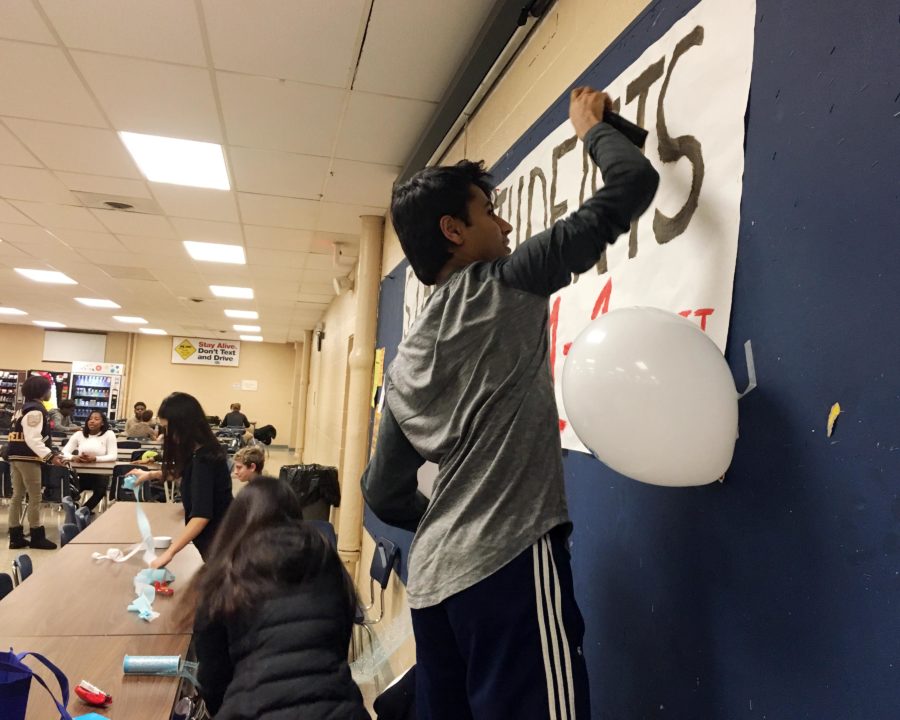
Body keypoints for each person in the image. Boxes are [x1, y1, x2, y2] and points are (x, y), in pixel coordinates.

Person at [361, 87, 659, 718]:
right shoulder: (505, 284)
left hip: (433, 585)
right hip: (507, 567)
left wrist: (452, 522)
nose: (506, 224)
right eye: (490, 212)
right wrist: (591, 129)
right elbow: (631, 184)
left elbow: (383, 492)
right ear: (453, 230)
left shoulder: (409, 354)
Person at [186, 477, 368, 718]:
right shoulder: (326, 557)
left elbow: (212, 675)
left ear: (236, 521)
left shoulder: (227, 569)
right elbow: (337, 645)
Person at [130, 392, 232, 566]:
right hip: (219, 539)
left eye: (168, 428)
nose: (167, 434)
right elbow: (184, 472)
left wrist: (169, 553)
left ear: (184, 425)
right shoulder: (200, 451)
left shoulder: (204, 459)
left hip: (220, 542)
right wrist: (150, 474)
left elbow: (201, 516)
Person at [7, 375, 66, 549]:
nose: (50, 392)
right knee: (35, 497)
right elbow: (33, 439)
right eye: (48, 389)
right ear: (42, 391)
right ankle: (36, 535)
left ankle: (15, 535)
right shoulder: (35, 411)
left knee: (17, 496)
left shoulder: (22, 409)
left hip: (15, 456)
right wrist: (50, 457)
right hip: (28, 458)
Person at [62, 410, 118, 511]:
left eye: (96, 419)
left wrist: (95, 459)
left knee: (100, 491)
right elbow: (64, 452)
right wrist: (73, 457)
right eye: (90, 419)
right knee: (72, 490)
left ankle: (83, 511)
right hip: (81, 472)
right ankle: (73, 509)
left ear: (102, 423)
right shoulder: (79, 434)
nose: (92, 421)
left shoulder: (109, 434)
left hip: (100, 473)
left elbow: (113, 456)